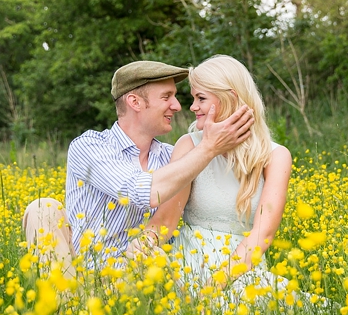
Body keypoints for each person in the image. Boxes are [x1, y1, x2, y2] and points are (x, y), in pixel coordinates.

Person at [21, 60, 254, 274]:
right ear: (135, 102)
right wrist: (208, 147)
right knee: (43, 208)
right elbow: (142, 191)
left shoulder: (175, 157)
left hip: (139, 279)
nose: (177, 105)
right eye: (167, 97)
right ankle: (68, 308)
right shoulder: (89, 146)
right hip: (82, 273)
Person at [145, 55, 294, 303]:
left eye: (201, 98)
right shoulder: (189, 144)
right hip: (188, 263)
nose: (192, 107)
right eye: (193, 98)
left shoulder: (276, 156)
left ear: (230, 98)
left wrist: (215, 286)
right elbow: (166, 221)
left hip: (240, 269)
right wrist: (137, 256)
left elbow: (262, 235)